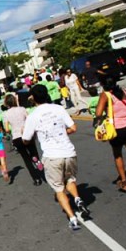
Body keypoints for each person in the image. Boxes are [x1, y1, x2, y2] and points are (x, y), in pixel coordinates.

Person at [22, 85, 90, 231]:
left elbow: (26, 139)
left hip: (52, 156)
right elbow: (73, 128)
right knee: (70, 179)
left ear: (33, 98)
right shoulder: (58, 108)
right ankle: (77, 199)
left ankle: (72, 218)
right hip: (69, 152)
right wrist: (61, 133)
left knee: (59, 189)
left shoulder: (33, 116)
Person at [2, 94, 44, 186]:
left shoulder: (6, 114)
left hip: (16, 137)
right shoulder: (22, 109)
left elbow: (7, 129)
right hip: (26, 134)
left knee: (26, 159)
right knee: (34, 152)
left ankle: (36, 179)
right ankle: (37, 161)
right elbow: (30, 119)